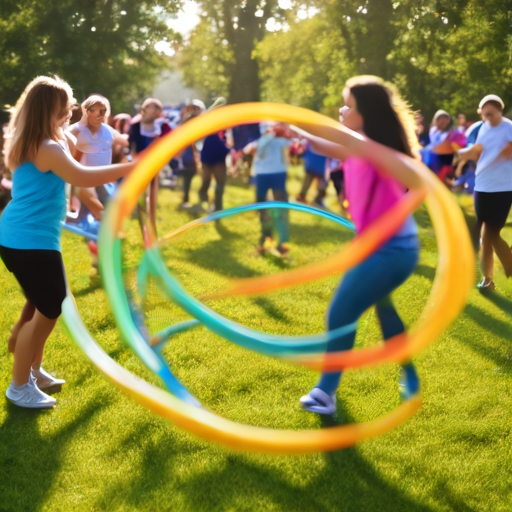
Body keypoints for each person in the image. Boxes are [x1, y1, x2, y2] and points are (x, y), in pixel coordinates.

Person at [0, 76, 136, 409]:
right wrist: (133, 166)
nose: (71, 110)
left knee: (51, 303)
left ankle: (32, 371)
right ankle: (19, 387)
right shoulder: (44, 147)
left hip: (34, 237)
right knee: (49, 306)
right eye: (66, 106)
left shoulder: (44, 140)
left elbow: (83, 154)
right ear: (49, 109)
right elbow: (80, 176)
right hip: (27, 239)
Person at [294, 75, 423, 415]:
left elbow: (420, 185)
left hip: (390, 249)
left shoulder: (369, 146)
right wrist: (292, 132)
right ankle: (409, 375)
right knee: (385, 310)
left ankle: (325, 392)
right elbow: (325, 144)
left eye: (347, 106)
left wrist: (290, 123)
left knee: (340, 313)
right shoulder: (362, 146)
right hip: (394, 248)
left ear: (365, 113)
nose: (340, 109)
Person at [458, 94, 512, 290]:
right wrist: (465, 155)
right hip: (482, 186)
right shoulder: (480, 129)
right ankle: (487, 279)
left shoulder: (509, 128)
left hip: (503, 188)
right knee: (486, 235)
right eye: (484, 113)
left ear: (500, 111)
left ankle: (502, 269)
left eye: (491, 113)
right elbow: (476, 152)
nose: (488, 117)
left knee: (489, 233)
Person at [244, 122, 292, 256]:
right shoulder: (259, 141)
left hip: (278, 174)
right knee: (263, 207)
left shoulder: (282, 141)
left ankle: (282, 242)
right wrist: (269, 136)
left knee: (281, 207)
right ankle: (266, 237)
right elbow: (248, 150)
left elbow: (292, 146)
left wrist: (285, 131)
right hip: (262, 175)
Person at [421, 110, 466, 181]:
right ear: (436, 120)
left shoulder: (453, 132)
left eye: (445, 118)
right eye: (440, 119)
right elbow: (436, 144)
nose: (442, 121)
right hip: (436, 158)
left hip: (447, 158)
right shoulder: (434, 131)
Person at [198, 131, 231, 212]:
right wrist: (228, 148)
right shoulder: (214, 138)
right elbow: (224, 150)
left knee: (211, 183)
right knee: (217, 184)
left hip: (211, 163)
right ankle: (215, 205)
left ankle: (215, 205)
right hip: (215, 163)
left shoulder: (211, 138)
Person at [296, 139, 328, 207]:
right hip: (319, 166)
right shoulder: (324, 141)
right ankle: (316, 199)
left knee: (317, 184)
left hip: (314, 165)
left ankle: (315, 199)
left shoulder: (311, 140)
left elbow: (304, 152)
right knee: (321, 184)